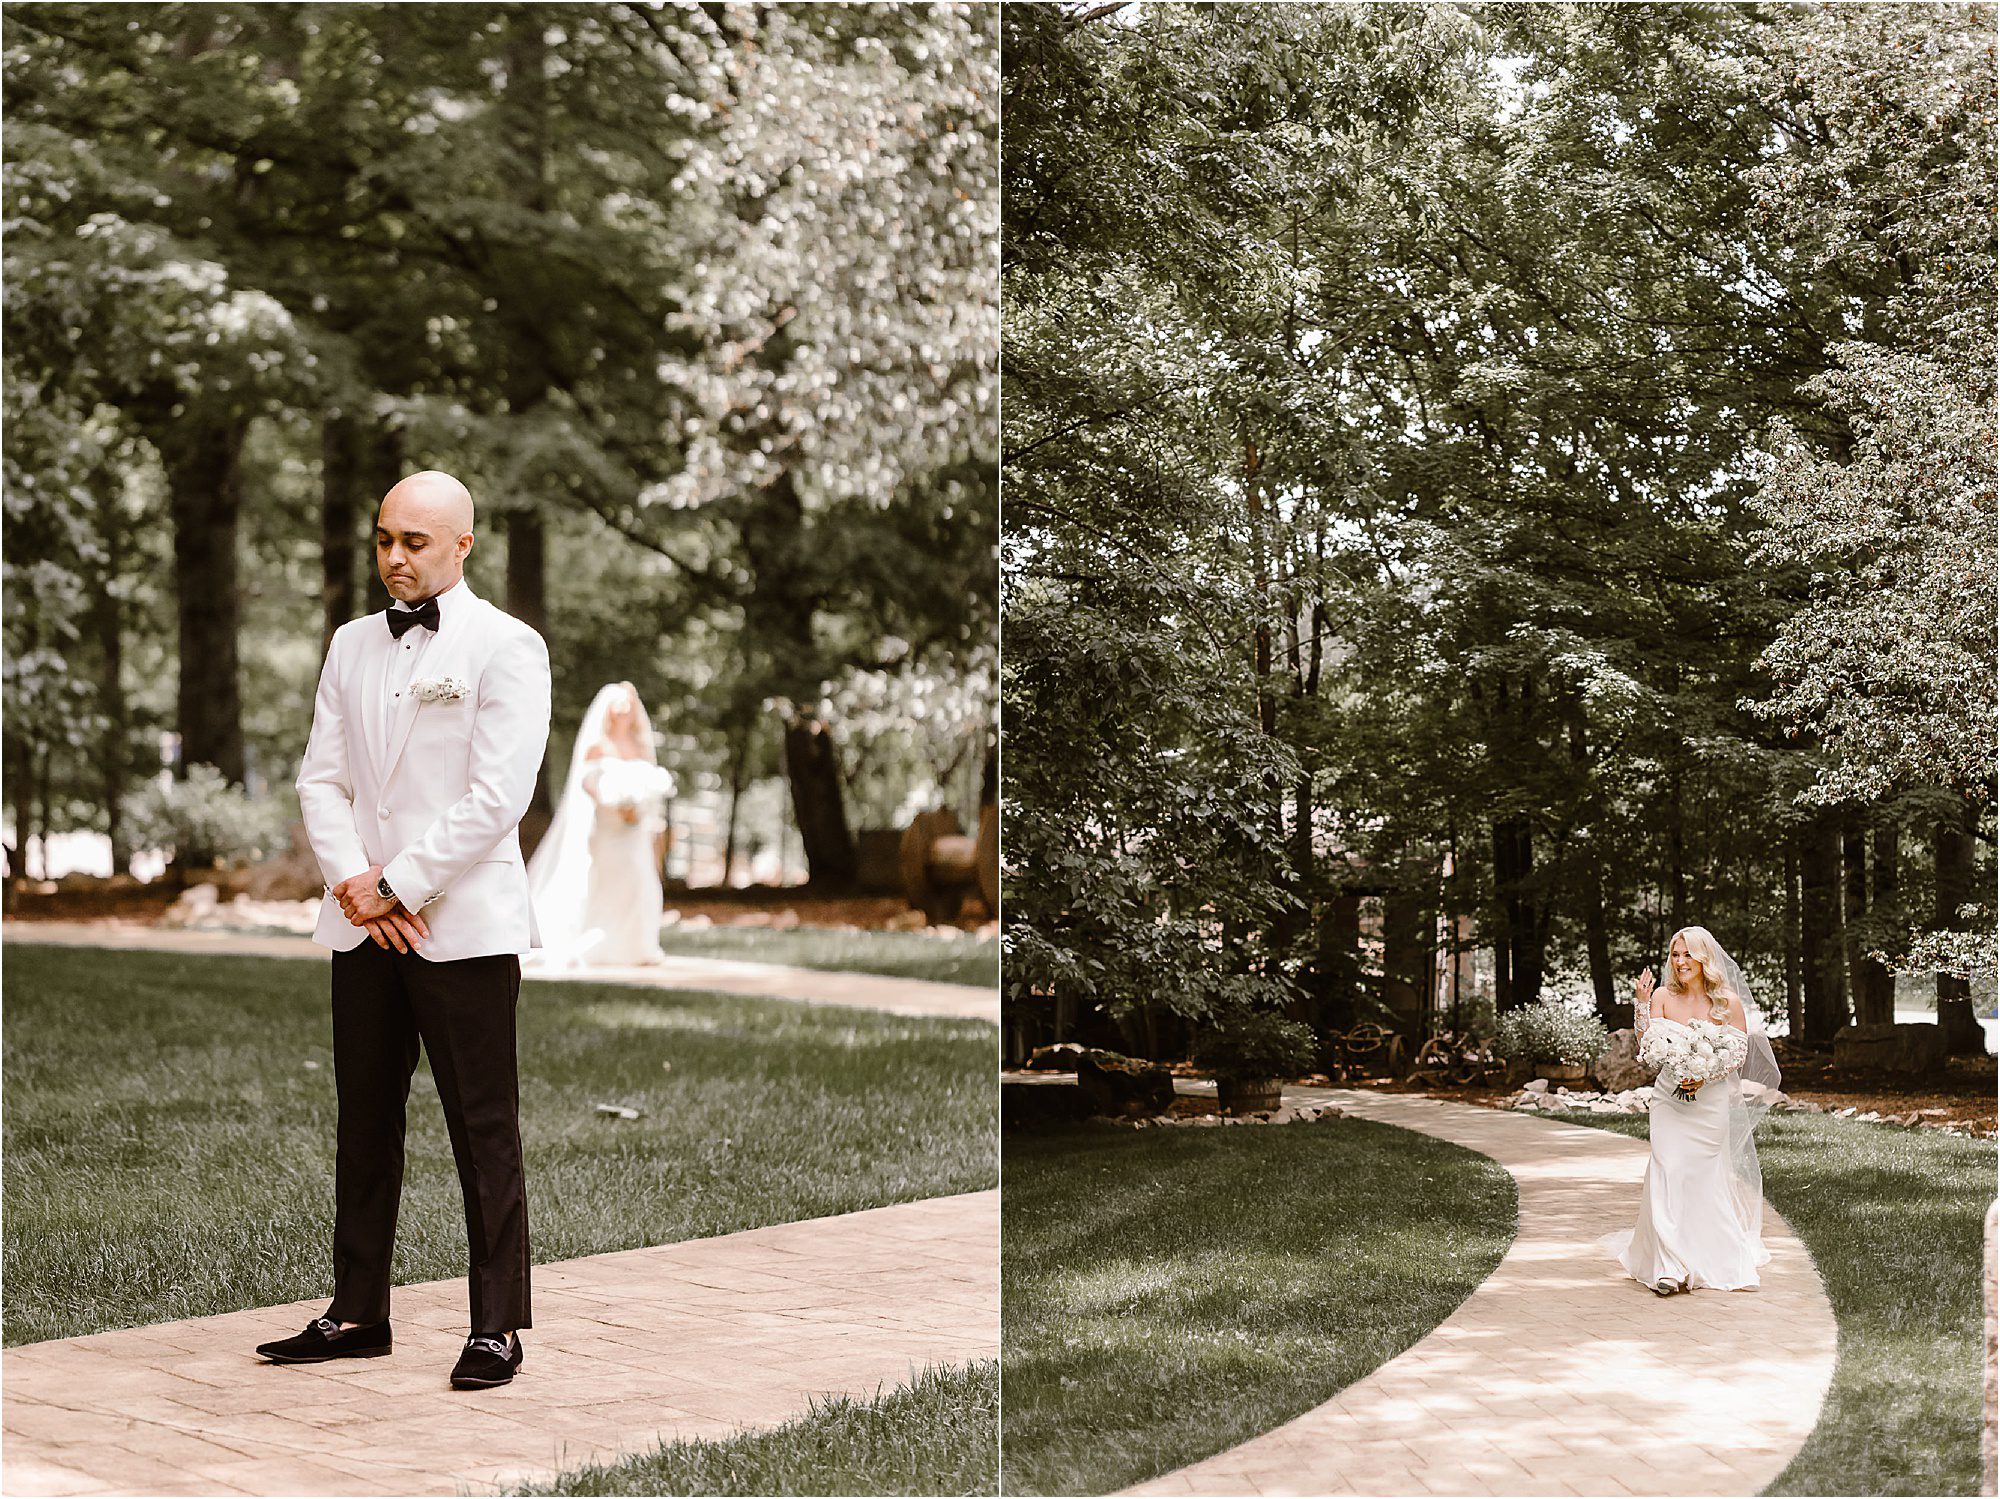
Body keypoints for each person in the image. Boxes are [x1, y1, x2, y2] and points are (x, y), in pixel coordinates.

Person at [257, 470, 551, 1390]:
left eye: (415, 541)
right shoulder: (349, 645)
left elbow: (500, 794)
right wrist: (353, 883)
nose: (394, 556)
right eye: (384, 537)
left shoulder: (507, 646)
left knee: (482, 1125)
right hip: (365, 928)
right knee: (365, 1122)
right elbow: (322, 778)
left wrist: (399, 884)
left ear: (463, 545)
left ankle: (496, 1326)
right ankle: (356, 1312)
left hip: (457, 925)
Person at [1603, 926, 1783, 1295]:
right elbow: (1647, 1045)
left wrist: (1703, 1077)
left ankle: (1704, 1255)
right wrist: (1641, 1002)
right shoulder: (1663, 997)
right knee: (1667, 1170)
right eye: (1675, 955)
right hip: (1669, 1099)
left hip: (1710, 1101)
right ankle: (1667, 1267)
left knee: (1701, 1177)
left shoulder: (1726, 1002)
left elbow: (1737, 1054)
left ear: (1704, 958)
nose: (1681, 962)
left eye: (1688, 954)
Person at [524, 681, 672, 970]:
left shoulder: (640, 745)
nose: (624, 713)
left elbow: (650, 786)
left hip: (633, 831)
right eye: (618, 708)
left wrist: (638, 808)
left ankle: (633, 945)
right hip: (606, 828)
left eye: (628, 708)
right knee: (603, 881)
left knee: (636, 879)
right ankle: (596, 943)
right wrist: (615, 804)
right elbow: (587, 783)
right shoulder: (596, 746)